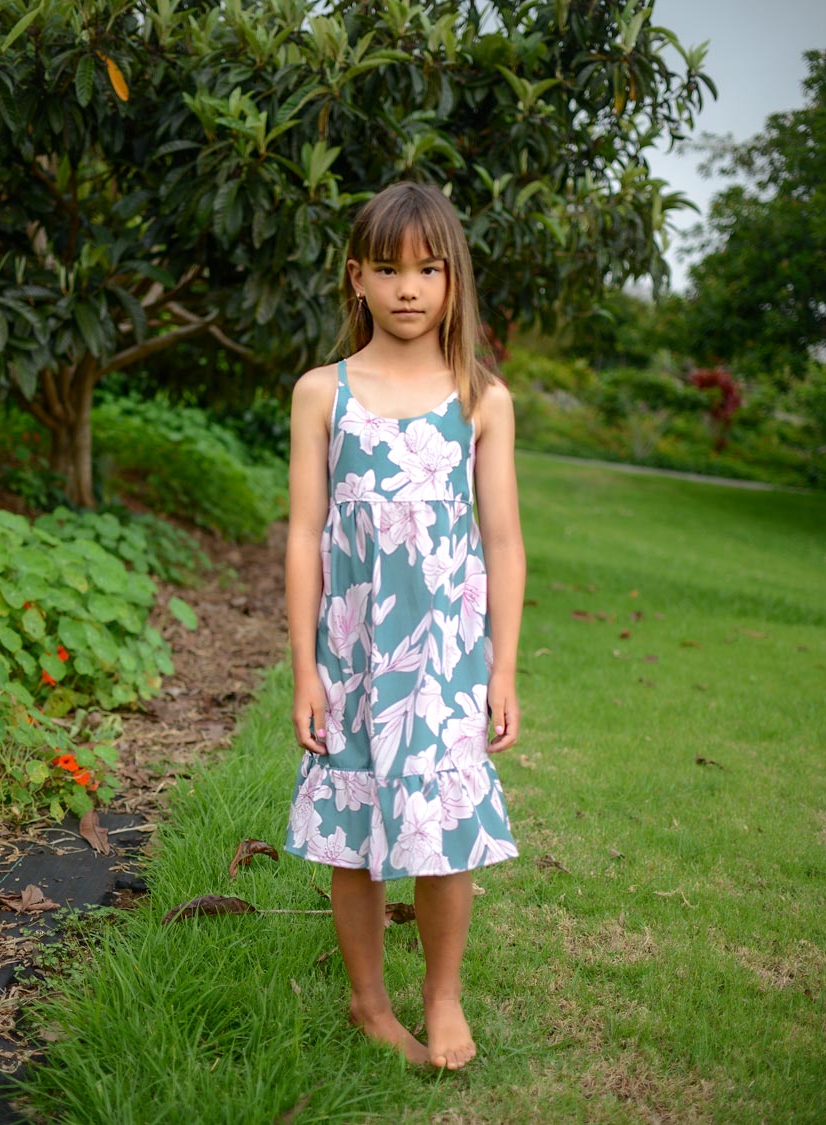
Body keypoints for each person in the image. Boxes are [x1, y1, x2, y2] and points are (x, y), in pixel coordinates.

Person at [284, 181, 526, 1070]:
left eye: (428, 268)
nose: (409, 287)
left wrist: (501, 669)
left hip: (445, 658)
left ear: (453, 280)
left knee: (440, 832)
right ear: (357, 278)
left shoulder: (480, 399)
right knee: (356, 834)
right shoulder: (323, 393)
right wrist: (307, 670)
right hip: (351, 651)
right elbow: (305, 538)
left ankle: (443, 994)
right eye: (387, 269)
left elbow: (503, 541)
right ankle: (368, 1000)